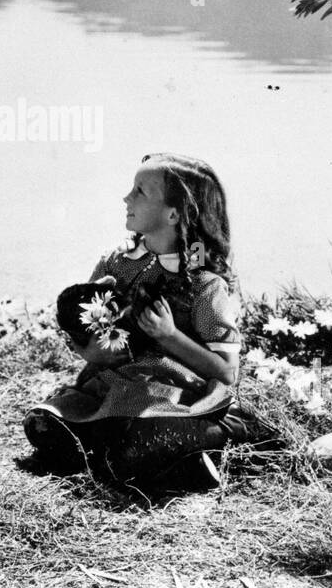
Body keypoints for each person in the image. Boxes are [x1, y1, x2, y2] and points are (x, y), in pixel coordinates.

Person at [24, 153, 254, 489]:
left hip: (173, 398)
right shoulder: (116, 262)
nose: (126, 198)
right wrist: (92, 352)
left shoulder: (204, 284)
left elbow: (226, 373)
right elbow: (91, 332)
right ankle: (160, 461)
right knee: (42, 424)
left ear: (174, 214)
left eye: (140, 192)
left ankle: (225, 435)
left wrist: (170, 335)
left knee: (140, 442)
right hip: (112, 390)